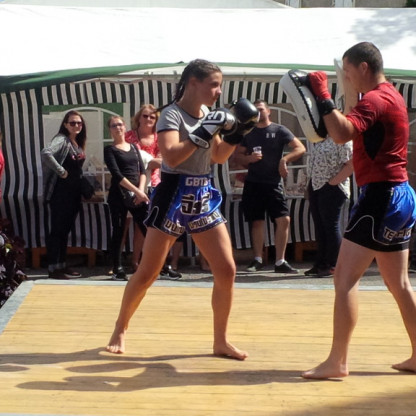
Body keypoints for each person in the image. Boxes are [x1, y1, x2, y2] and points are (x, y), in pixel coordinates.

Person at [106, 58, 259, 359]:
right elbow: (172, 157)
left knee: (226, 269)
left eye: (220, 86)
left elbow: (218, 156)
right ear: (193, 83)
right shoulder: (171, 115)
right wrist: (204, 130)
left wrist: (237, 133)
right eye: (213, 85)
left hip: (202, 192)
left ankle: (220, 340)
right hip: (173, 193)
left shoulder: (208, 115)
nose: (219, 91)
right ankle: (120, 327)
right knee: (148, 272)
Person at [302, 42, 416, 379]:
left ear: (364, 68)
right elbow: (354, 118)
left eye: (349, 73)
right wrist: (340, 88)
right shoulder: (391, 95)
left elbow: (340, 134)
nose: (348, 79)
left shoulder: (376, 100)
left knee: (344, 279)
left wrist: (322, 95)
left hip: (380, 197)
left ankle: (337, 362)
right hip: (400, 194)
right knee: (399, 283)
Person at [234, 99, 306, 273]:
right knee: (256, 221)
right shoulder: (248, 132)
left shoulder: (279, 130)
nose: (259, 113)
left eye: (261, 109)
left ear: (268, 111)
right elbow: (236, 157)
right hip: (254, 182)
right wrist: (249, 159)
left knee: (283, 219)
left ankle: (280, 261)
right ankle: (258, 259)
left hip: (273, 182)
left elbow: (300, 148)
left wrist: (284, 160)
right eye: (256, 110)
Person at [41, 110, 87, 280]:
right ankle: (54, 268)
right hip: (60, 193)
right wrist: (61, 171)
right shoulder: (61, 139)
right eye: (72, 123)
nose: (76, 125)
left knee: (64, 230)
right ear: (66, 125)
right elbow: (46, 153)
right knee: (58, 230)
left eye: (79, 123)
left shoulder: (76, 141)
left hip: (73, 193)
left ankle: (61, 265)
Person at [104, 116, 149, 281]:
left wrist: (140, 191)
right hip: (119, 195)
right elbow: (117, 175)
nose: (118, 128)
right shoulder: (109, 150)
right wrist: (137, 191)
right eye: (114, 125)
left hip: (137, 194)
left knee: (147, 228)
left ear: (125, 126)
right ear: (110, 130)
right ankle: (117, 267)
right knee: (119, 230)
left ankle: (159, 265)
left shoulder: (134, 147)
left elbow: (142, 171)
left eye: (120, 124)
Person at [305, 137, 353, 277]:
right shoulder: (320, 139)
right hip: (316, 186)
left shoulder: (343, 139)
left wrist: (332, 183)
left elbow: (350, 165)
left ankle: (332, 264)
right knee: (320, 226)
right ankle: (320, 263)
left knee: (330, 226)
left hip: (334, 187)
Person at [125, 105, 162, 271]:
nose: (148, 119)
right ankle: (117, 262)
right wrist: (148, 161)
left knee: (143, 225)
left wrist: (141, 160)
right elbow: (124, 158)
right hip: (130, 183)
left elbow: (162, 162)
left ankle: (136, 261)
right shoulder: (129, 136)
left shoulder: (159, 138)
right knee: (123, 224)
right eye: (145, 116)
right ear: (138, 118)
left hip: (152, 184)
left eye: (152, 117)